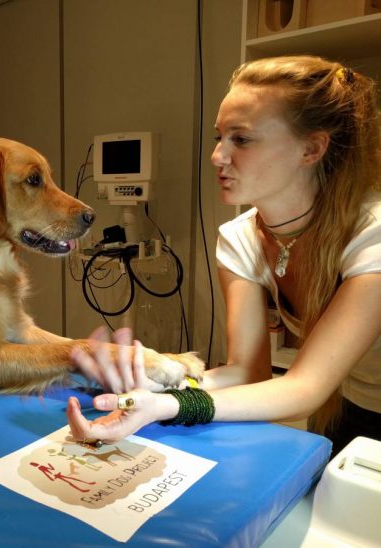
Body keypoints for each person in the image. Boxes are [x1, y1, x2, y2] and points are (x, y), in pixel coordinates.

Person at [66, 55, 381, 457]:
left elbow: (304, 387)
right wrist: (158, 384)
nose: (218, 156)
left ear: (312, 148)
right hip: (344, 403)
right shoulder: (239, 238)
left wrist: (173, 406)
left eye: (242, 139)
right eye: (219, 137)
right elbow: (248, 371)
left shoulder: (372, 233)